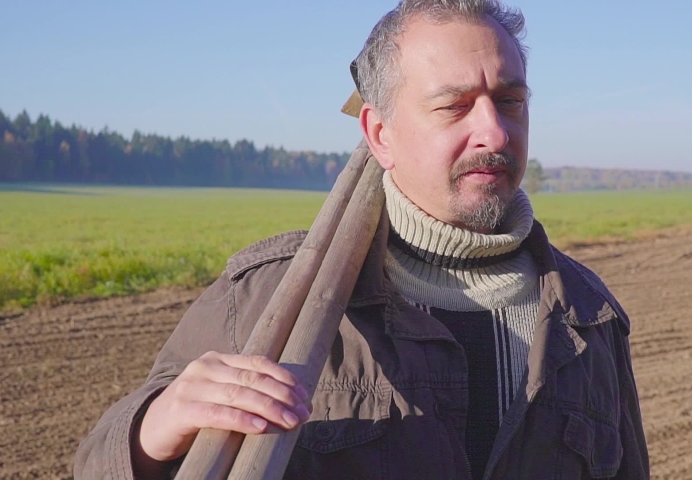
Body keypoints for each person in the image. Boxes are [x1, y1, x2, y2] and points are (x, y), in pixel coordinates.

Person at [75, 1, 649, 479]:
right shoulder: (266, 298)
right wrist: (153, 430)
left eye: (510, 102)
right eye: (454, 106)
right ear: (380, 133)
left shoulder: (589, 317)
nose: (494, 132)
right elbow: (96, 467)